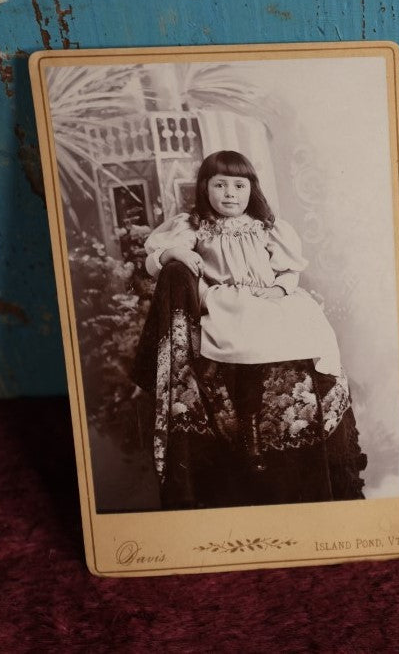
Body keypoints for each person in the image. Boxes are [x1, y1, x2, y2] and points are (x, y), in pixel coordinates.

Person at [133, 150, 365, 508]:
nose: (230, 193)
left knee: (308, 323)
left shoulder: (267, 227)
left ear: (251, 189)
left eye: (239, 185)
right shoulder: (195, 226)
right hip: (227, 300)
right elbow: (154, 259)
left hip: (269, 296)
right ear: (204, 188)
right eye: (220, 185)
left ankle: (318, 388)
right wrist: (174, 256)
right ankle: (249, 428)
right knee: (245, 340)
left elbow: (289, 270)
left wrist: (279, 289)